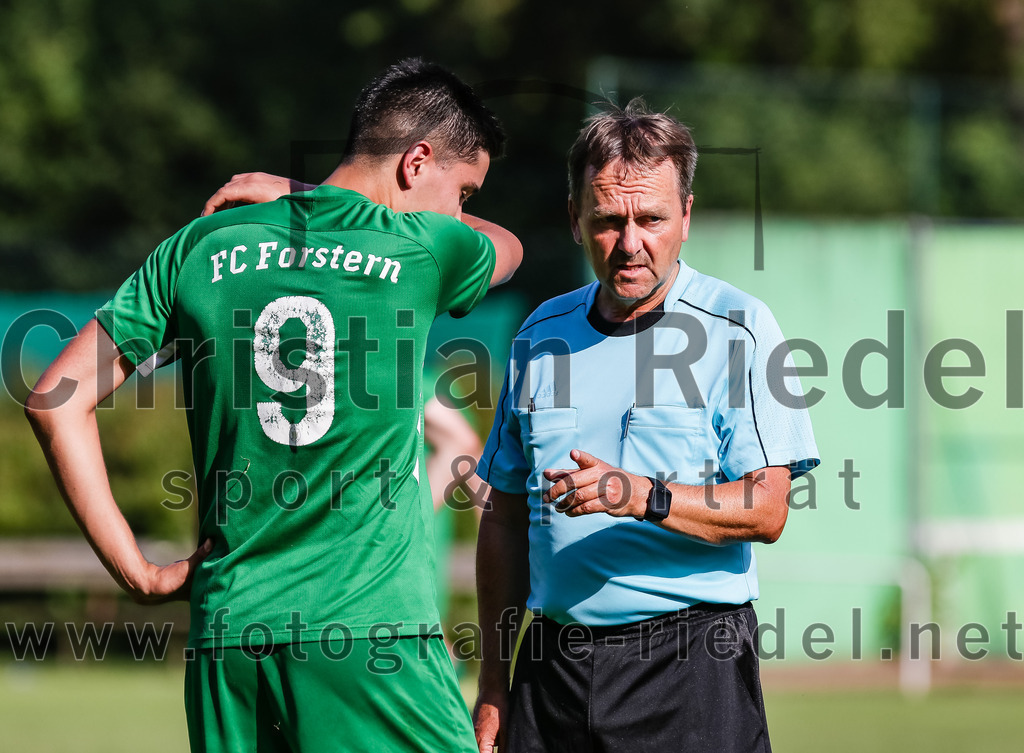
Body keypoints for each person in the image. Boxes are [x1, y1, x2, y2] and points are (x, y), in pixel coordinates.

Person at [25, 58, 522, 753]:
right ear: (417, 161)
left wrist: (137, 572)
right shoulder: (422, 247)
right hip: (369, 632)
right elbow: (509, 248)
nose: (461, 214)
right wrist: (304, 190)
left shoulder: (196, 248)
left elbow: (54, 400)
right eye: (464, 192)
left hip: (230, 632)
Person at [472, 99, 819, 753]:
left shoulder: (739, 328)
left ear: (685, 217)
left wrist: (642, 495)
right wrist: (494, 682)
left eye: (651, 218)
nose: (631, 243)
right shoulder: (539, 335)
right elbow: (504, 516)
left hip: (691, 663)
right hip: (553, 670)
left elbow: (767, 508)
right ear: (575, 220)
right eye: (608, 221)